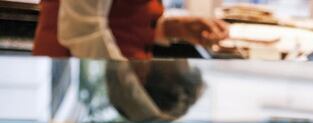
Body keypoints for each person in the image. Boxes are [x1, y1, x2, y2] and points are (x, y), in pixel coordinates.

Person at [33, 0, 229, 60]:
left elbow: (117, 13)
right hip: (80, 95)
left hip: (115, 94)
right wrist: (144, 115)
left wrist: (169, 28)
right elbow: (84, 33)